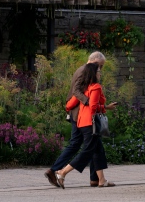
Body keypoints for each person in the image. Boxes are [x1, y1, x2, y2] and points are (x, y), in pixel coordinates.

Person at [44, 51, 107, 188]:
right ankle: (56, 170)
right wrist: (88, 102)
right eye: (100, 66)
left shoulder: (83, 69)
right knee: (81, 145)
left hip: (79, 113)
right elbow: (76, 91)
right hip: (80, 114)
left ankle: (96, 179)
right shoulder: (85, 70)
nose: (100, 69)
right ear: (95, 61)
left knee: (92, 145)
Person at [54, 62, 117, 188]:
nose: (100, 74)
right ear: (94, 74)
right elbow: (93, 107)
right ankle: (62, 172)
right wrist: (106, 107)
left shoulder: (86, 87)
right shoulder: (96, 87)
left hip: (82, 121)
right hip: (90, 123)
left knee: (98, 150)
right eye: (99, 71)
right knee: (87, 151)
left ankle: (101, 180)